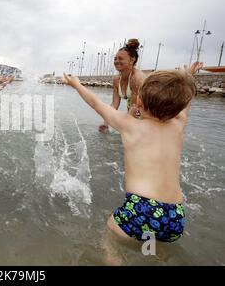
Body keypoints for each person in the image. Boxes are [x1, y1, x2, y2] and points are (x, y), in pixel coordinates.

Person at [63, 61, 202, 253]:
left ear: (138, 102)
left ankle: (114, 258)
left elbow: (96, 103)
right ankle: (152, 255)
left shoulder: (129, 125)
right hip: (175, 215)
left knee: (110, 235)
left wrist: (76, 84)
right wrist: (189, 75)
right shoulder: (178, 125)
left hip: (141, 207)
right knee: (150, 241)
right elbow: (186, 102)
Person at [99, 39, 146, 133]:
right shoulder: (117, 79)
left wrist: (126, 128)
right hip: (135, 113)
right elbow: (114, 104)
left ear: (132, 60)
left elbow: (134, 108)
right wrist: (105, 123)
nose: (116, 61)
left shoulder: (137, 78)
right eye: (115, 58)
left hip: (150, 117)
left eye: (120, 58)